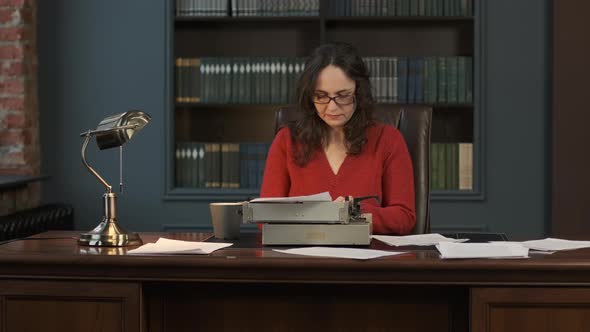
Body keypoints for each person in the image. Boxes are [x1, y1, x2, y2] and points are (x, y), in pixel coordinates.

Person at [260, 42, 416, 235]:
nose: (332, 108)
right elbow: (264, 216)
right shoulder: (287, 140)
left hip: (365, 258)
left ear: (359, 92)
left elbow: (404, 217)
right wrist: (325, 215)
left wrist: (353, 214)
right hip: (302, 258)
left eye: (343, 96)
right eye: (321, 96)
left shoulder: (388, 139)